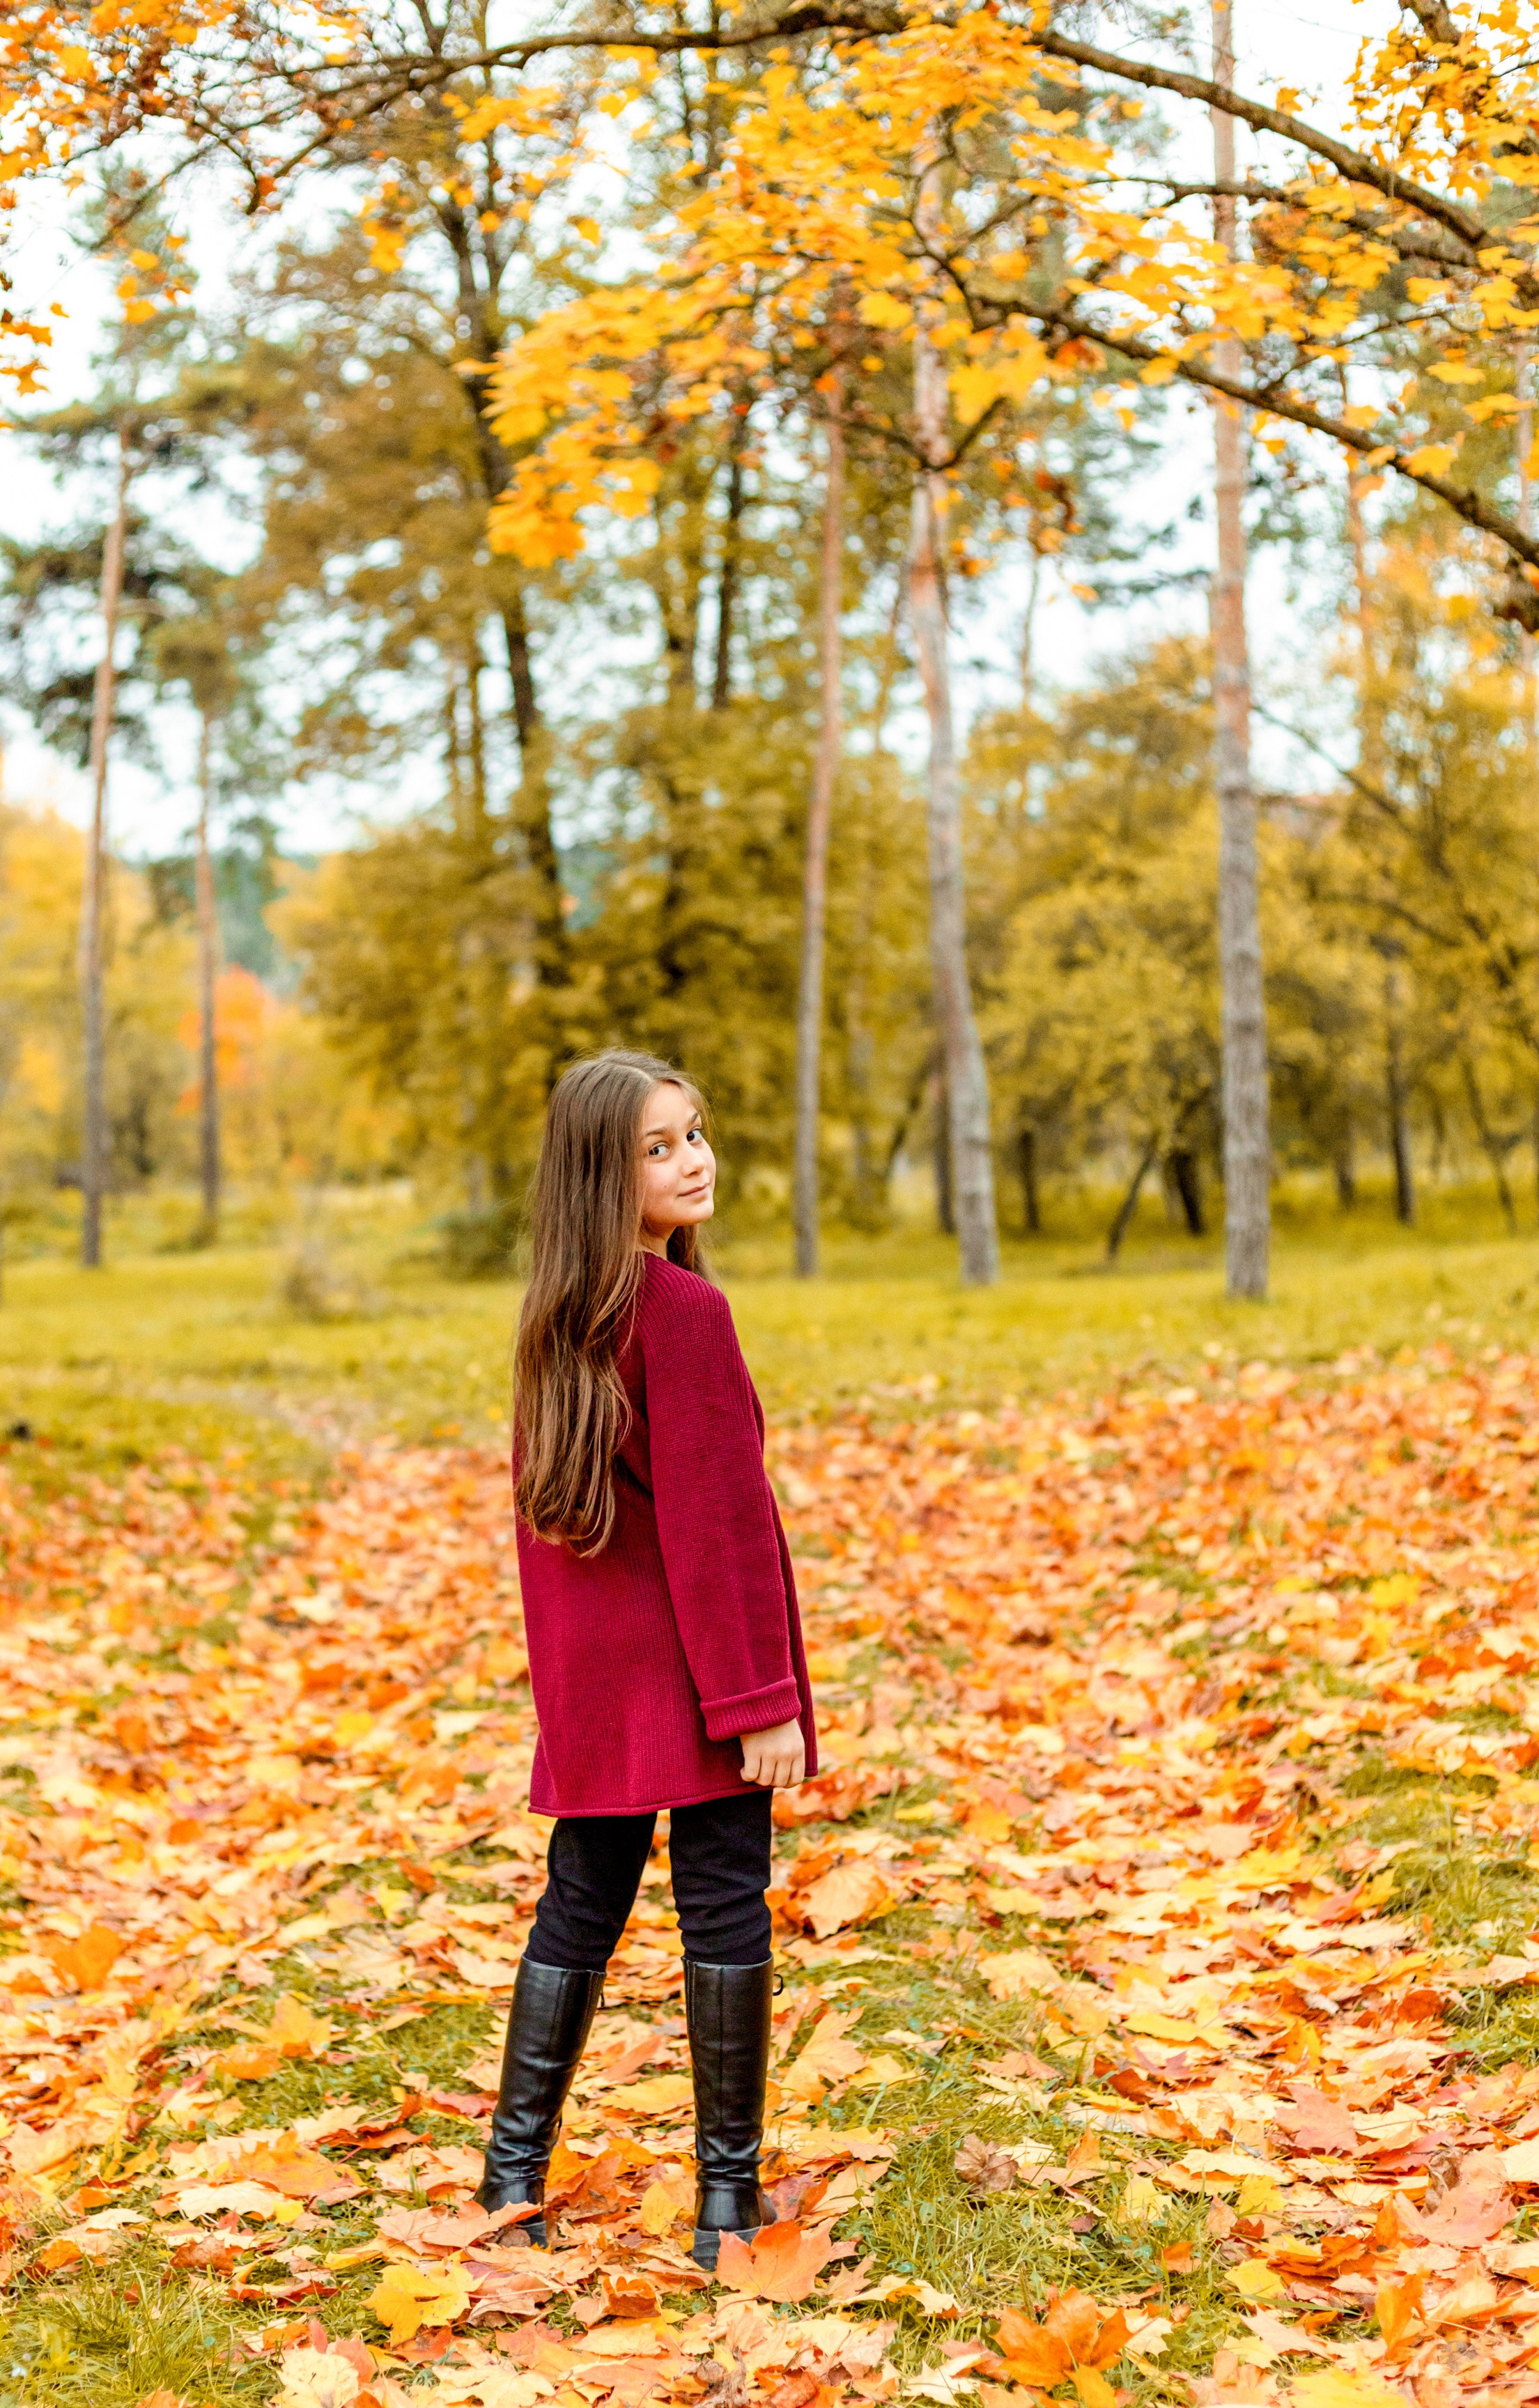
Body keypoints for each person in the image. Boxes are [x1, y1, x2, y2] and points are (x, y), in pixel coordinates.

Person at [476, 1049, 817, 2271]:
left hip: (602, 1685)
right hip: (699, 1672)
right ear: (599, 1177)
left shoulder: (560, 1317)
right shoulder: (681, 1317)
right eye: (659, 1147)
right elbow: (717, 1531)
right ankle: (727, 2202)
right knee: (720, 1900)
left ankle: (509, 2176)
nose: (695, 1160)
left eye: (696, 1133)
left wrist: (568, 1705)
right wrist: (756, 1701)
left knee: (583, 1899)